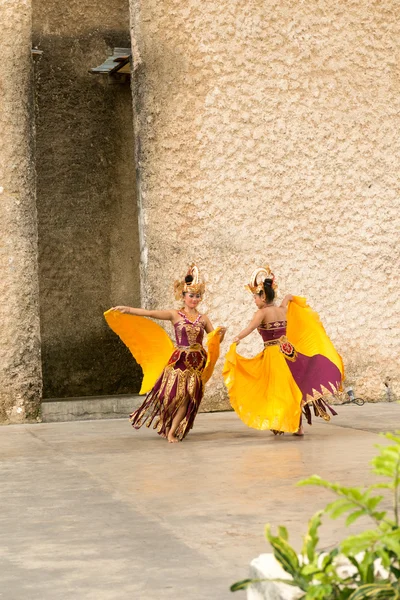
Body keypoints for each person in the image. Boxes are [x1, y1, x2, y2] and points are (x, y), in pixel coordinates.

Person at [105, 264, 226, 443]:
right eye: (191, 295)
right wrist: (129, 310)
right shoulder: (175, 314)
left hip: (196, 362)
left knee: (187, 398)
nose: (194, 299)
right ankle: (168, 425)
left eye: (197, 296)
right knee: (169, 396)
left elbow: (213, 340)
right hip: (178, 361)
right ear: (183, 296)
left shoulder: (204, 319)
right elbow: (150, 313)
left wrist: (220, 335)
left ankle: (172, 431)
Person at [223, 266, 344, 436]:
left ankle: (285, 423)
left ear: (263, 296)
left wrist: (237, 338)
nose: (254, 301)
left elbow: (250, 328)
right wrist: (290, 298)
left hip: (274, 355)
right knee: (293, 388)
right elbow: (288, 297)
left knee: (278, 390)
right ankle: (297, 426)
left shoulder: (262, 313)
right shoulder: (282, 309)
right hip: (290, 353)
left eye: (255, 297)